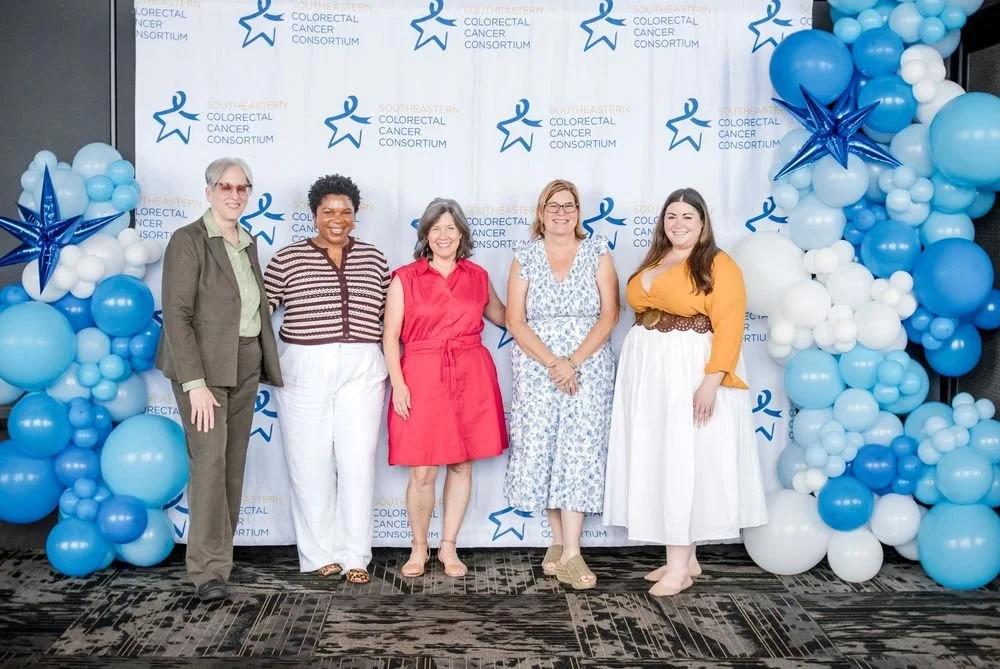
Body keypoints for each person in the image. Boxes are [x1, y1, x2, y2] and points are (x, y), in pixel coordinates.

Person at [603, 187, 768, 597]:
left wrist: (712, 380)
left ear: (703, 223)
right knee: (663, 454)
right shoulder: (657, 259)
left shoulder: (718, 264)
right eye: (671, 216)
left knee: (684, 457)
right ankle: (686, 557)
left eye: (687, 217)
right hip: (651, 367)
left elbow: (730, 326)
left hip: (689, 367)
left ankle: (678, 566)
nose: (678, 224)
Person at [157, 157, 283, 602]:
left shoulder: (247, 242)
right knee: (209, 466)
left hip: (244, 360)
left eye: (242, 188)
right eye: (225, 187)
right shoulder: (188, 240)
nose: (234, 195)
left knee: (231, 465)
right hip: (203, 369)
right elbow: (176, 315)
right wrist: (194, 383)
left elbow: (246, 306)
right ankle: (207, 571)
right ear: (209, 191)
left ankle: (220, 556)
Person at [263, 174, 390, 585]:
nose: (337, 219)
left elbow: (392, 319)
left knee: (357, 463)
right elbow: (258, 311)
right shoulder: (286, 258)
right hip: (304, 368)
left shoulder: (375, 259)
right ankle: (319, 554)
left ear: (356, 215)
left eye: (345, 211)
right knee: (309, 462)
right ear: (314, 216)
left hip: (363, 367)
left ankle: (356, 555)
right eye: (328, 211)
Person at [503, 179, 619, 590]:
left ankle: (572, 552)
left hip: (587, 365)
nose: (561, 212)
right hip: (538, 367)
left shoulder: (597, 251)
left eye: (569, 205)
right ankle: (557, 542)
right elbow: (515, 320)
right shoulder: (525, 256)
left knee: (579, 450)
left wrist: (573, 362)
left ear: (578, 211)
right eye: (553, 206)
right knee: (544, 449)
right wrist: (554, 362)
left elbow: (610, 314)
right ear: (540, 212)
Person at [384, 198, 508, 578]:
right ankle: (419, 546)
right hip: (421, 374)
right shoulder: (405, 278)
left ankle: (448, 547)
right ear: (425, 234)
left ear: (462, 234)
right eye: (435, 228)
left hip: (471, 373)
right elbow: (390, 337)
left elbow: (506, 318)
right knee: (422, 469)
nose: (443, 236)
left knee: (461, 464)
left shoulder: (477, 276)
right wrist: (399, 384)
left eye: (451, 228)